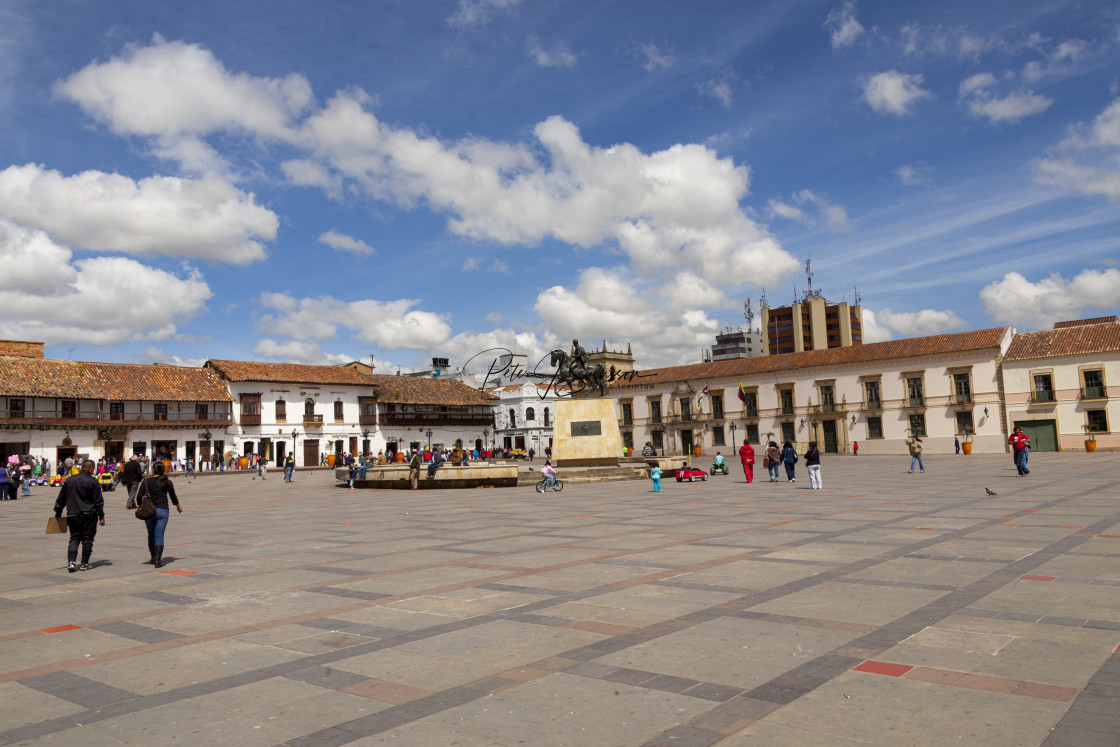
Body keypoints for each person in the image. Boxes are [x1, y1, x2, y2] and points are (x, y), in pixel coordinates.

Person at [54, 460, 105, 572]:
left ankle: (71, 562)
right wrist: (101, 516)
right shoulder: (93, 481)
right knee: (88, 539)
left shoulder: (70, 480)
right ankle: (84, 564)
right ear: (91, 468)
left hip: (73, 513)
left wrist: (58, 512)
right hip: (89, 514)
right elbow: (98, 501)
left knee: (74, 538)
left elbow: (61, 498)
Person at [135, 461, 181, 568]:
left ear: (153, 469)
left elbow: (138, 496)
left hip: (150, 511)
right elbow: (173, 496)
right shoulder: (167, 482)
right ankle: (157, 561)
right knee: (159, 536)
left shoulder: (146, 482)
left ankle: (152, 557)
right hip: (163, 511)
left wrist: (140, 505)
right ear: (163, 470)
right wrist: (178, 507)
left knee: (151, 534)